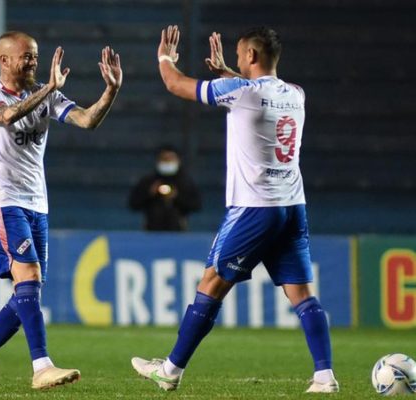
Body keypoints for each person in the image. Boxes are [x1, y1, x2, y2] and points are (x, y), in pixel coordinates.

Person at [130, 26, 338, 393]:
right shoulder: (295, 94)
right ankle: (324, 376)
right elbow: (254, 94)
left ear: (252, 57)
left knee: (211, 283)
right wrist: (228, 72)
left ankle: (172, 370)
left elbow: (176, 85)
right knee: (302, 294)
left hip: (253, 207)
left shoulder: (242, 91)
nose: (238, 61)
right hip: (291, 205)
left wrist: (165, 57)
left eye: (240, 55)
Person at [0, 31, 122, 390]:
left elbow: (87, 120)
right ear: (4, 60)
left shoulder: (45, 95)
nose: (33, 61)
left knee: (26, 293)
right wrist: (48, 89)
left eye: (34, 55)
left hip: (37, 202)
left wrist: (111, 90)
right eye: (26, 57)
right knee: (28, 279)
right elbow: (6, 116)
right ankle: (41, 366)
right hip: (2, 199)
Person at [128, 145, 201, 231]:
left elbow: (196, 205)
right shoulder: (148, 181)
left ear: (178, 160)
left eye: (170, 158)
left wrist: (177, 196)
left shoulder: (185, 182)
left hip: (178, 232)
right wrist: (149, 193)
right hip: (151, 231)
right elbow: (133, 204)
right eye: (164, 159)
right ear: (158, 161)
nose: (167, 161)